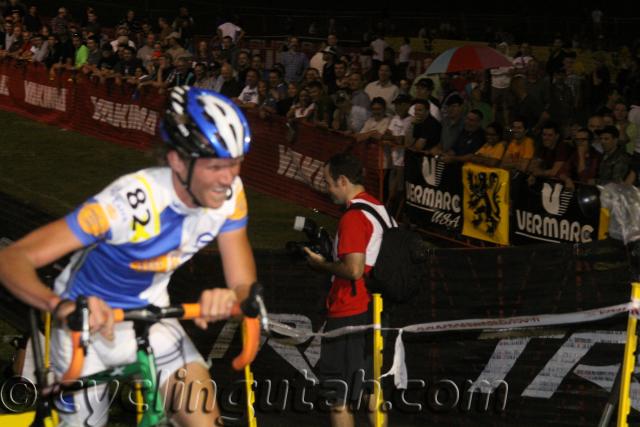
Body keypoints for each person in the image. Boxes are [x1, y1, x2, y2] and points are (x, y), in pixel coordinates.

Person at [0, 86, 257, 427]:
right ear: (177, 161)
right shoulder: (127, 203)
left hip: (149, 316)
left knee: (204, 421)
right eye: (216, 166)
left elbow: (242, 281)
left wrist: (235, 297)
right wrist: (60, 307)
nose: (228, 178)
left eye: (236, 163)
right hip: (84, 323)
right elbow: (12, 258)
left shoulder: (231, 195)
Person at [304, 153, 391, 427]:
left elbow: (353, 270)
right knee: (369, 387)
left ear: (343, 180)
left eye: (328, 182)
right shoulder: (379, 208)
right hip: (375, 308)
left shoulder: (353, 217)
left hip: (349, 311)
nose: (327, 189)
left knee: (337, 394)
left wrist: (321, 265)